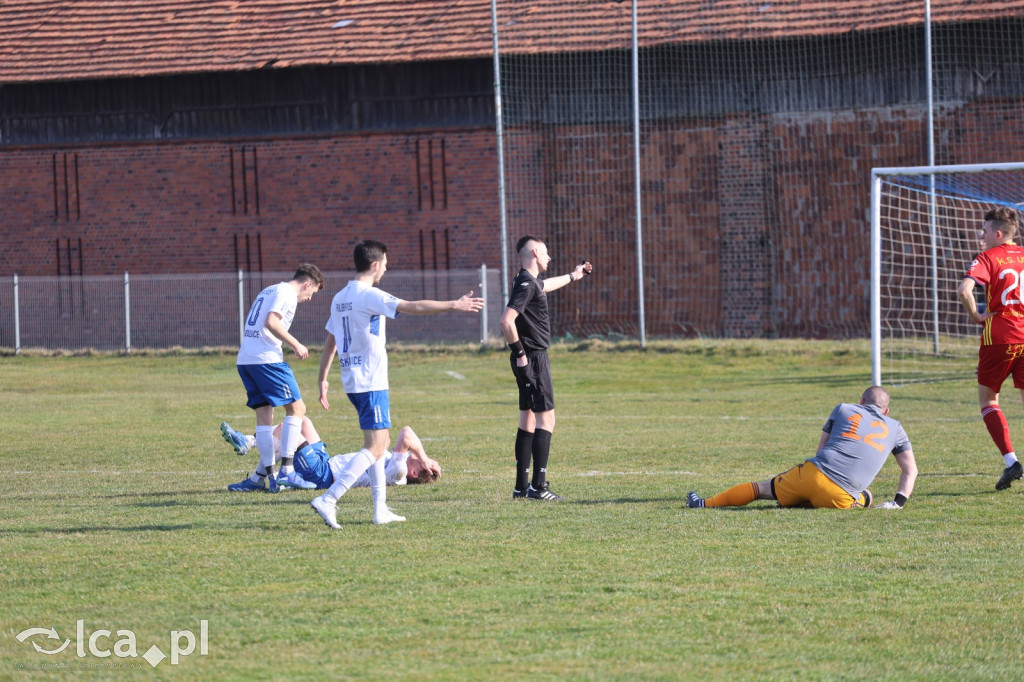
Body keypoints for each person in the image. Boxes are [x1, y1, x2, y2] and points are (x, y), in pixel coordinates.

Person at [310, 239, 483, 529]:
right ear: (376, 265)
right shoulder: (369, 295)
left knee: (381, 444)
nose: (386, 270)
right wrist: (455, 304)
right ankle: (329, 498)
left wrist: (323, 379)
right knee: (376, 448)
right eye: (386, 265)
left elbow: (330, 343)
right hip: (370, 381)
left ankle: (380, 510)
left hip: (353, 380)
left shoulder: (340, 297)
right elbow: (412, 306)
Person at [687, 386, 917, 510]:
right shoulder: (895, 427)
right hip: (840, 496)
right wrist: (898, 503)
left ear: (861, 401)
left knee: (761, 489)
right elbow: (910, 470)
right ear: (885, 411)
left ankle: (702, 504)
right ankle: (811, 500)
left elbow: (822, 448)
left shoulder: (844, 408)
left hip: (812, 474)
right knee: (867, 495)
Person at [500, 235, 592, 501]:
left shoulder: (524, 279)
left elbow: (546, 285)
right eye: (546, 253)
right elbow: (507, 321)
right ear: (536, 252)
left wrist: (574, 276)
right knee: (546, 419)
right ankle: (538, 487)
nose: (549, 257)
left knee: (527, 419)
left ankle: (521, 487)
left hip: (528, 357)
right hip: (533, 358)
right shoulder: (527, 284)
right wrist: (520, 354)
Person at [228, 263, 325, 493]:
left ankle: (265, 478)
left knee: (265, 417)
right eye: (312, 293)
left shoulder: (269, 289)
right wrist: (296, 343)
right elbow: (271, 322)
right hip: (266, 359)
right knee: (297, 409)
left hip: (246, 360)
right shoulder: (287, 293)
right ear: (307, 284)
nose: (309, 299)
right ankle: (288, 472)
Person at [957, 206, 1024, 491]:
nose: (980, 235)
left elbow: (963, 290)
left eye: (984, 231)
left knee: (988, 400)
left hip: (999, 334)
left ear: (998, 234)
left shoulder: (987, 257)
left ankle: (1011, 462)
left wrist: (975, 315)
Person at [220, 419, 442, 487]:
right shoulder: (397, 465)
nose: (418, 457)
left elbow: (406, 434)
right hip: (326, 462)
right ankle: (259, 476)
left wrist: (425, 458)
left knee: (288, 432)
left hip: (323, 475)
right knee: (301, 421)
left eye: (420, 464)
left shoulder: (399, 472)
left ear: (414, 472)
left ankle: (249, 442)